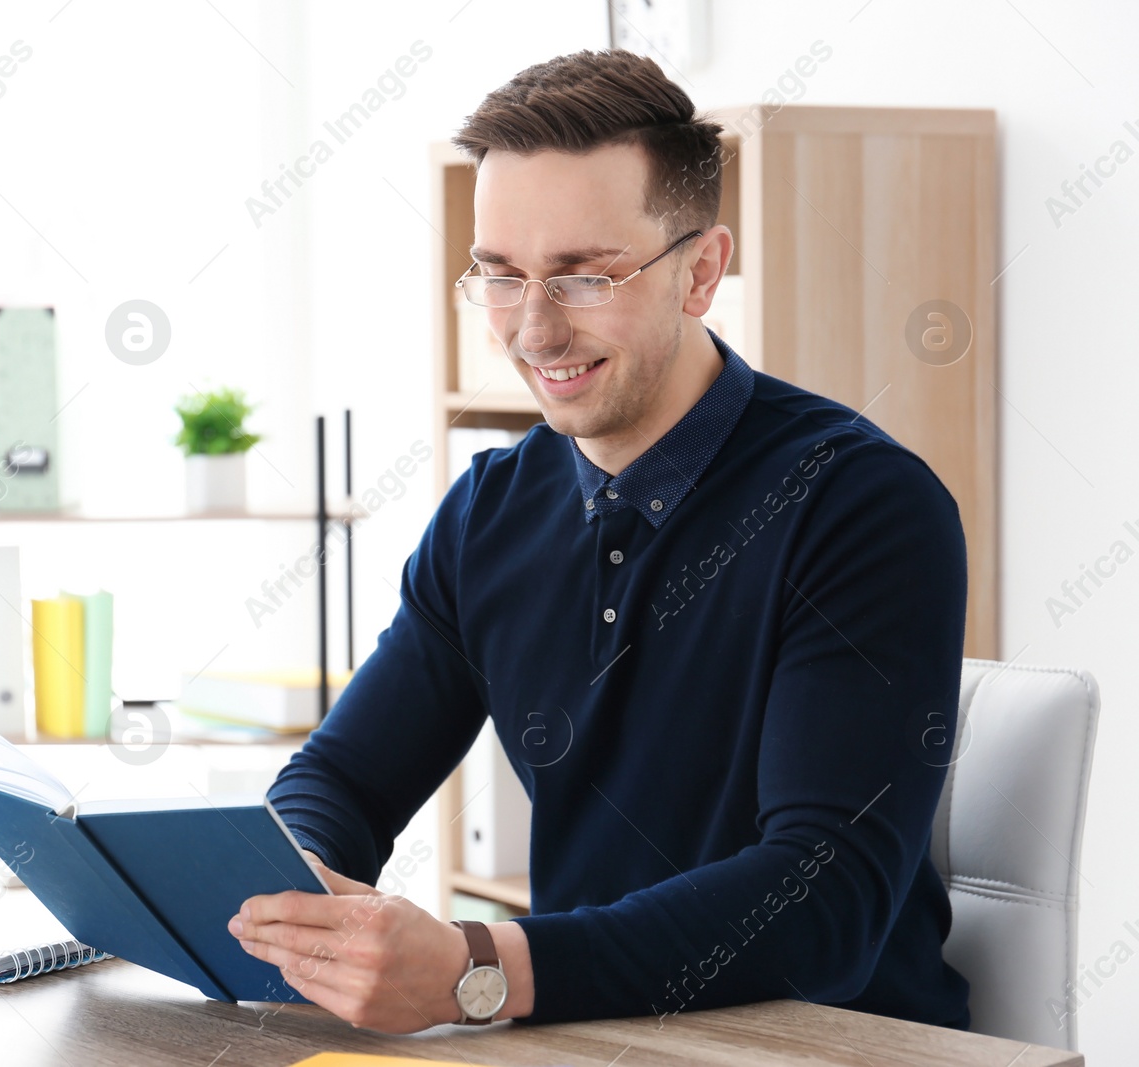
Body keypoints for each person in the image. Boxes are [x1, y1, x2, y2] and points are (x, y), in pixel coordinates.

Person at [228, 49, 970, 1035]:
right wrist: (299, 889)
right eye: (499, 275)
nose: (533, 329)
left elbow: (821, 894)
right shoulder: (490, 508)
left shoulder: (861, 504)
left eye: (582, 277)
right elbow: (344, 777)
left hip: (828, 1045)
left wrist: (475, 968)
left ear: (700, 270)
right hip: (590, 1033)